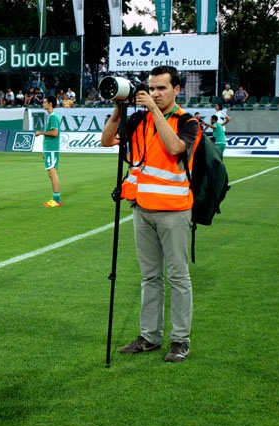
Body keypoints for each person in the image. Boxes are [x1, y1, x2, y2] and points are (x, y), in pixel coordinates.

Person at [101, 65, 201, 363]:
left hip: (174, 212)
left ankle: (180, 340)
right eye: (152, 88)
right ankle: (149, 337)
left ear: (176, 90)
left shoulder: (188, 121)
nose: (155, 93)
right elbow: (107, 141)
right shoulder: (138, 119)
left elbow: (174, 148)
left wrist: (154, 112)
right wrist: (119, 112)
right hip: (142, 209)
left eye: (161, 88)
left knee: (178, 277)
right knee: (150, 277)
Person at [35, 95, 62, 207]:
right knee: (51, 174)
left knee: (52, 173)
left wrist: (41, 133)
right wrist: (44, 151)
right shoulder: (52, 116)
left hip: (51, 149)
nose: (43, 103)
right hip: (49, 149)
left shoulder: (53, 117)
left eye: (45, 102)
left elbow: (54, 133)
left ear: (50, 103)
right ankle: (56, 199)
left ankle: (56, 200)